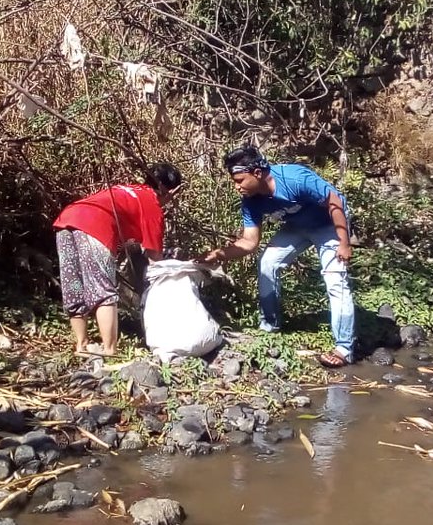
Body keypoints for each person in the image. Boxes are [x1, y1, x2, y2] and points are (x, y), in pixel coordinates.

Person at [201, 146, 356, 367]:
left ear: (257, 173)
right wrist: (217, 255)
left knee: (335, 280)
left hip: (330, 225)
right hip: (298, 227)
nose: (237, 187)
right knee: (267, 263)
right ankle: (269, 326)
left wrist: (344, 242)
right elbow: (249, 242)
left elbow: (334, 203)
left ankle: (343, 349)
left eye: (240, 180)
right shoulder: (251, 200)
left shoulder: (295, 178)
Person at [54, 163, 183, 356]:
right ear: (172, 190)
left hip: (67, 220)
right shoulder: (151, 202)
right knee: (103, 289)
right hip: (94, 225)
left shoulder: (129, 189)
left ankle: (81, 345)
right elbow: (155, 258)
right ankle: (109, 349)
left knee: (75, 287)